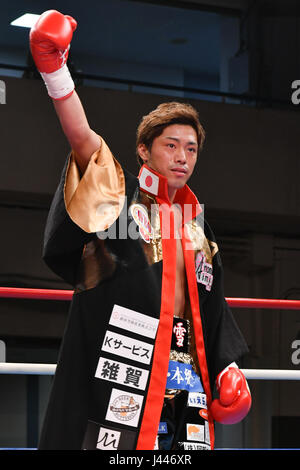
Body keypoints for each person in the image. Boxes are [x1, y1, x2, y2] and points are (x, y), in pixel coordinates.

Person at [30, 10, 251, 451]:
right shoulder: (118, 200)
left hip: (184, 378)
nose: (182, 157)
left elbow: (211, 308)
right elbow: (83, 142)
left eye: (191, 148)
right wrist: (55, 71)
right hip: (123, 373)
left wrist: (228, 368)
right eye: (171, 145)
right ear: (143, 150)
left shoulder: (198, 230)